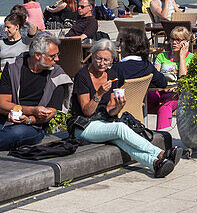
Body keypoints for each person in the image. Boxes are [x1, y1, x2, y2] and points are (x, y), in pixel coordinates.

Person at [70, 39, 179, 178]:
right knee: (119, 128)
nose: (102, 63)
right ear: (92, 55)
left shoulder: (112, 75)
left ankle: (155, 163)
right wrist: (99, 94)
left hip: (103, 123)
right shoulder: (82, 76)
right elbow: (87, 111)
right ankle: (161, 153)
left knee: (121, 141)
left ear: (112, 60)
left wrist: (118, 107)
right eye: (98, 58)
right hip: (83, 126)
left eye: (106, 60)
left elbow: (110, 110)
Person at [0, 32, 70, 153]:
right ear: (37, 55)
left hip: (34, 125)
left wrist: (28, 118)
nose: (57, 59)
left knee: (15, 132)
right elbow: (2, 106)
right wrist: (32, 110)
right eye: (52, 56)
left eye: (57, 54)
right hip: (4, 117)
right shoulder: (13, 67)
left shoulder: (58, 75)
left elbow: (50, 113)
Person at [148, 25, 194, 130]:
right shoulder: (162, 56)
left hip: (178, 94)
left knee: (165, 105)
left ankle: (163, 138)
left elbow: (184, 80)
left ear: (186, 42)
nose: (174, 42)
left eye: (178, 40)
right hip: (160, 90)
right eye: (172, 39)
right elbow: (154, 77)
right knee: (146, 98)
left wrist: (182, 58)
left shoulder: (191, 58)